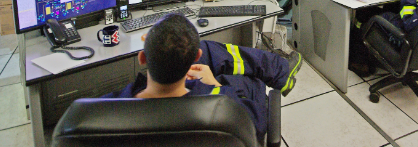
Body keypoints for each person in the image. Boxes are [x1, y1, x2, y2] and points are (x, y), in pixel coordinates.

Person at [103, 13, 302, 143]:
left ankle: (278, 71)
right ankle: (280, 72)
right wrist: (217, 87)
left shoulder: (98, 112)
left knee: (213, 54)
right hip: (215, 108)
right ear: (195, 59)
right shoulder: (226, 113)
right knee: (251, 83)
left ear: (143, 58)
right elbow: (257, 127)